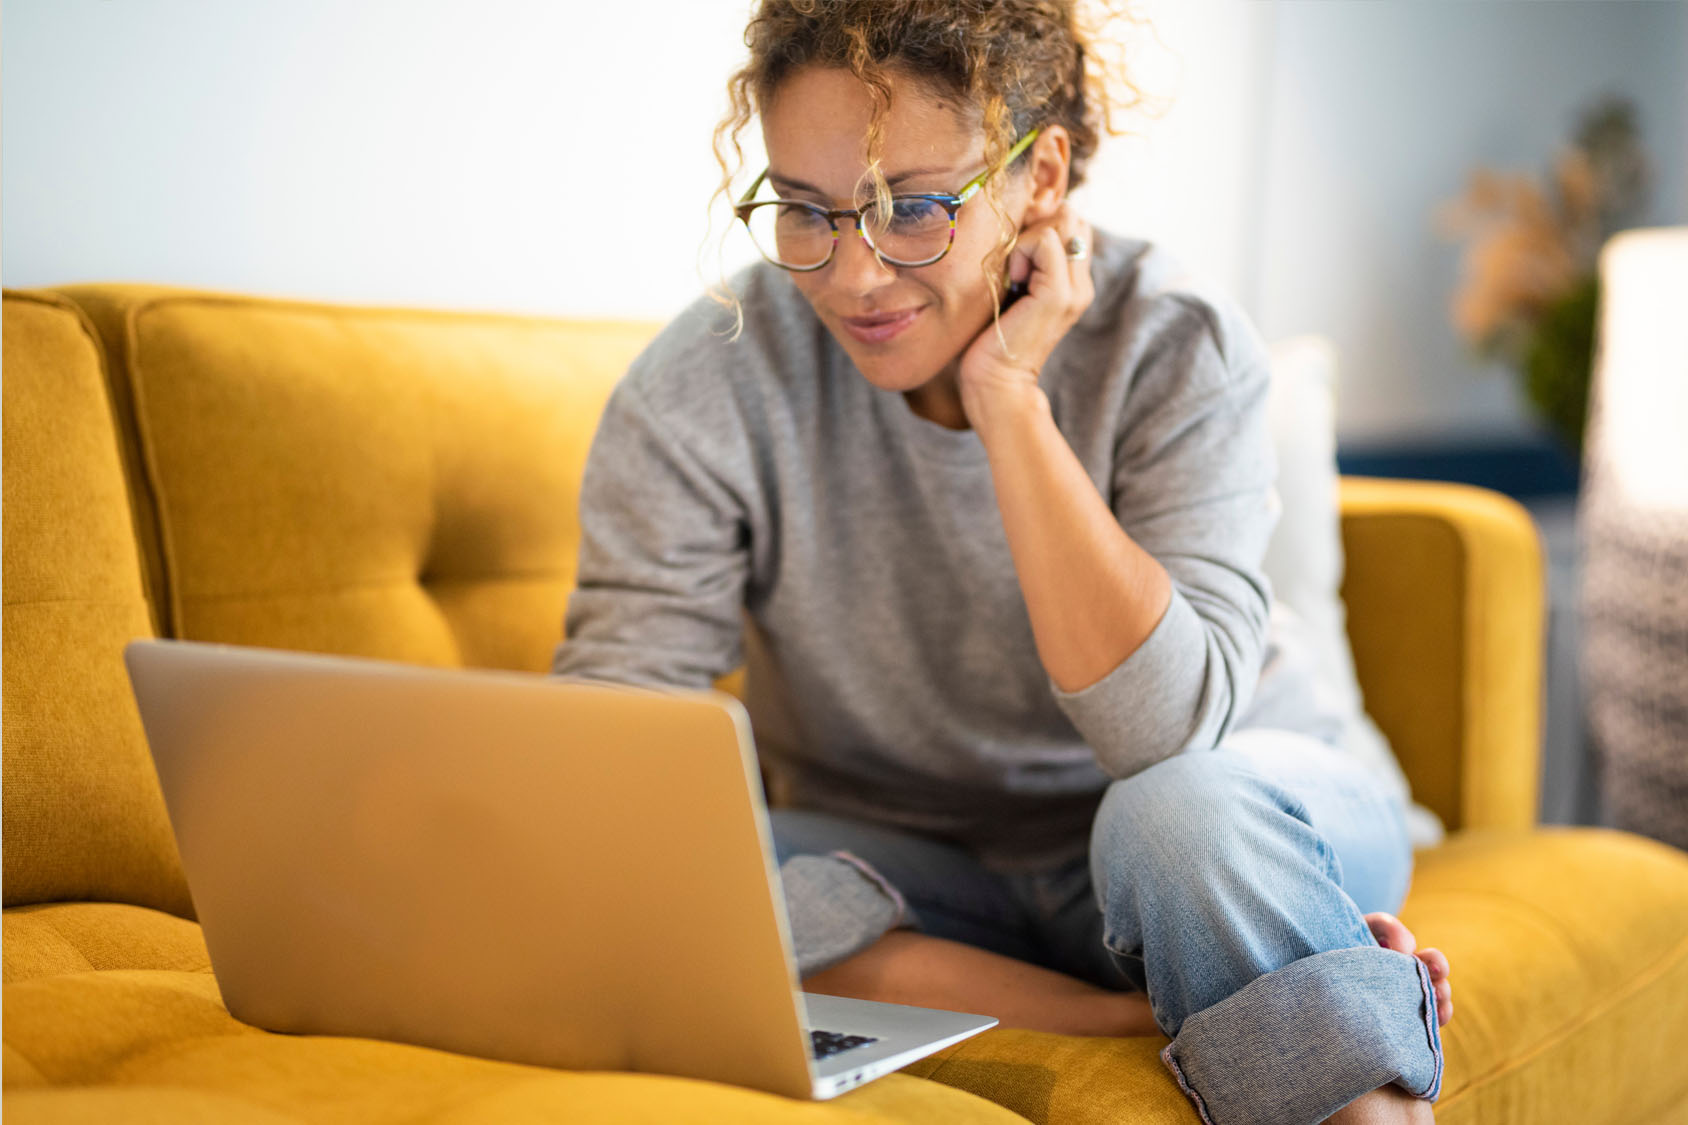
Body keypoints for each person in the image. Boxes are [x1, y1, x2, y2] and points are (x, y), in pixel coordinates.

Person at [552, 2, 1453, 1122]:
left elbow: (1162, 737)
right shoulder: (703, 385)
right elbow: (608, 750)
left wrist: (1007, 403)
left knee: (1175, 820)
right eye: (803, 211)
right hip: (914, 869)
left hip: (1216, 818)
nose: (852, 276)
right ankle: (1138, 1008)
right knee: (659, 880)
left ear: (1040, 180)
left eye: (914, 208)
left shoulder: (1173, 343)